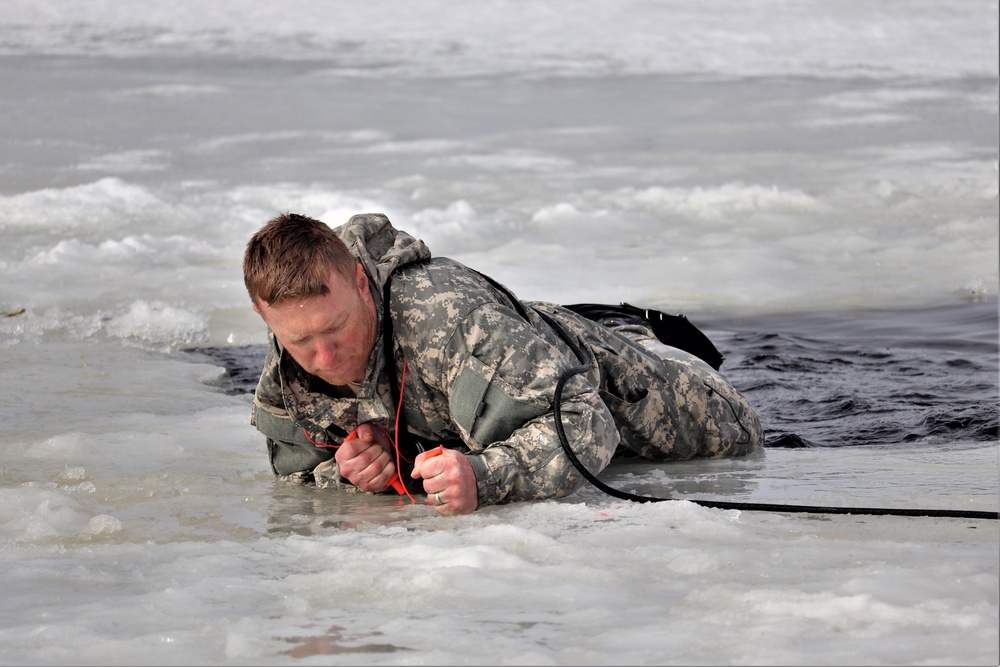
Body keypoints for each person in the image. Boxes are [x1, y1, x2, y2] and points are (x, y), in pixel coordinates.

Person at [243, 212, 763, 515]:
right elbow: (298, 468)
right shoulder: (292, 348)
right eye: (301, 341)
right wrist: (357, 468)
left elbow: (587, 423)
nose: (325, 357)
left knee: (733, 428)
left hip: (665, 398)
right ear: (265, 316)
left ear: (361, 283)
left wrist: (485, 476)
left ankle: (635, 330)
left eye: (336, 330)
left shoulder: (443, 317)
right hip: (529, 347)